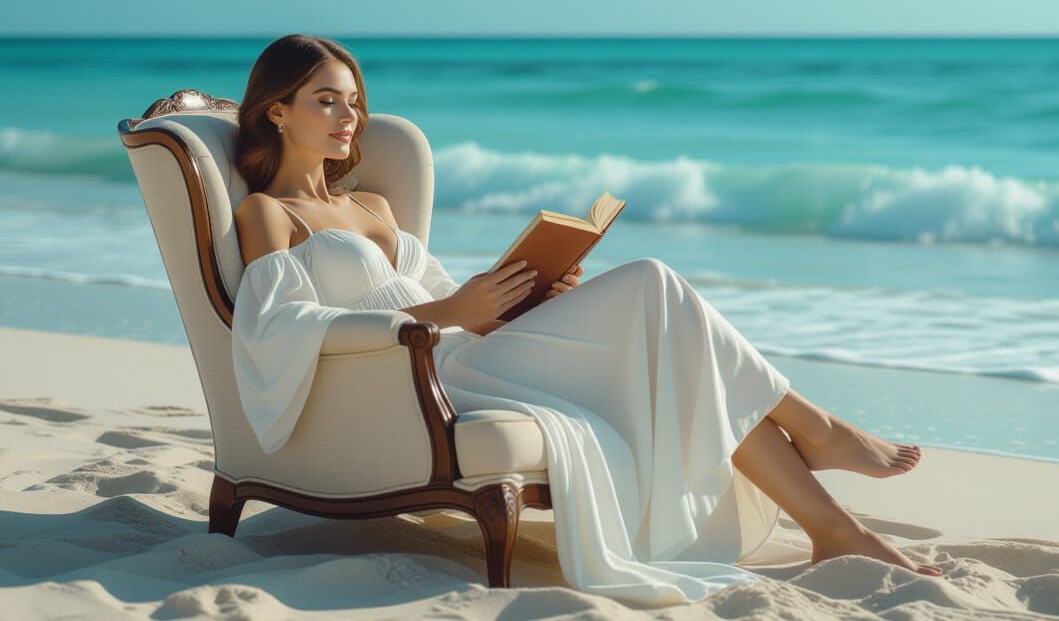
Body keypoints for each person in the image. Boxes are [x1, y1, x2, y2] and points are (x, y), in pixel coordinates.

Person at [229, 33, 942, 607]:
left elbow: (456, 300)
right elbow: (279, 328)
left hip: (472, 348)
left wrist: (530, 295)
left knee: (671, 332)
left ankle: (833, 527)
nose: (349, 116)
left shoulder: (373, 206)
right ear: (277, 112)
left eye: (354, 101)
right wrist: (451, 312)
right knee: (653, 283)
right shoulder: (269, 213)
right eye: (326, 100)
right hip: (427, 377)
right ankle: (818, 432)